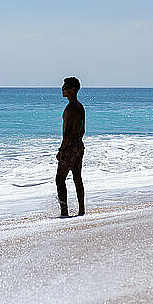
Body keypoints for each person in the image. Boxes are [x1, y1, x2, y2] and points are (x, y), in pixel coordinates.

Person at [56, 77, 85, 217]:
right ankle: (81, 210)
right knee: (77, 178)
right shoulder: (80, 106)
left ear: (73, 89)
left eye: (65, 86)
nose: (63, 89)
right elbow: (82, 130)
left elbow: (67, 132)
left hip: (70, 145)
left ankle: (64, 212)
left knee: (60, 179)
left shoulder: (71, 107)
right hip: (79, 144)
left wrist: (62, 150)